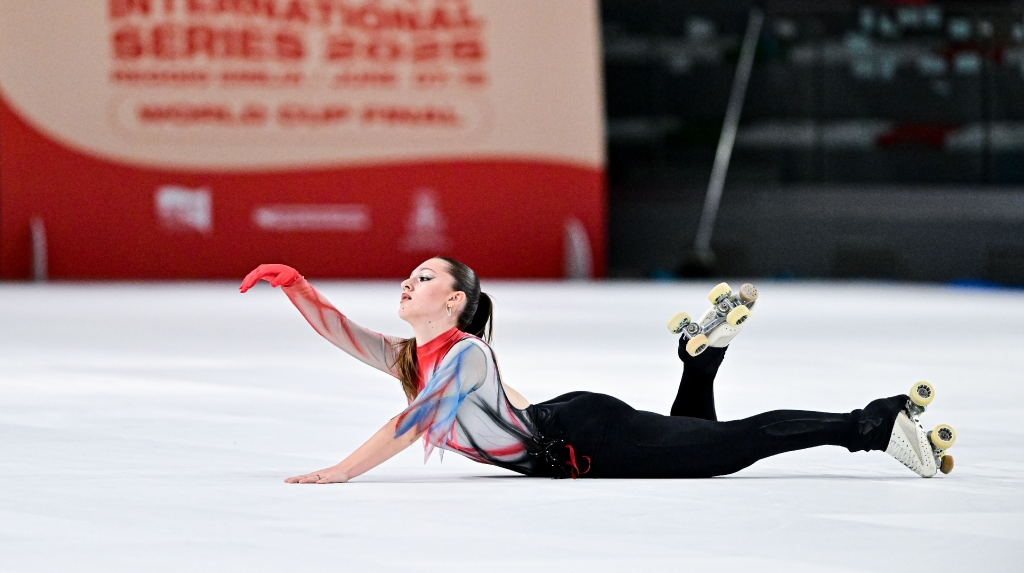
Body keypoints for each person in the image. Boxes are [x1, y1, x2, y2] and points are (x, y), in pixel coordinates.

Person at [238, 257, 954, 482]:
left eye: (424, 278)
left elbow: (414, 421)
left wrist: (341, 471)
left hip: (586, 438)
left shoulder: (462, 354)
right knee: (698, 446)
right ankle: (700, 360)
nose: (408, 282)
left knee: (729, 447)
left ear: (454, 302)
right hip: (569, 427)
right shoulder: (414, 357)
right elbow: (343, 334)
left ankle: (872, 425)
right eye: (410, 275)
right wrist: (295, 286)